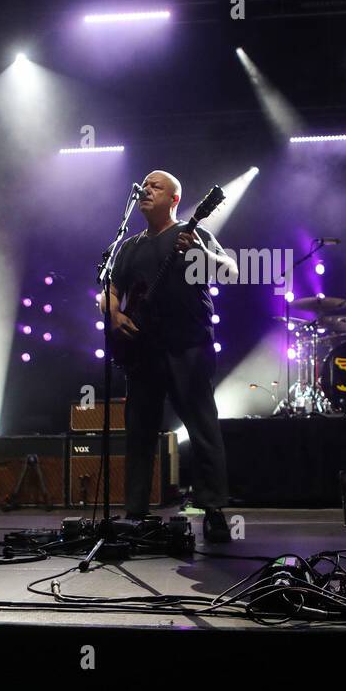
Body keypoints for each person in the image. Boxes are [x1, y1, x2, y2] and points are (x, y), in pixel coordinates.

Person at [104, 171, 238, 543]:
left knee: (201, 425)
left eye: (155, 186)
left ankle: (212, 509)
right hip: (143, 349)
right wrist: (113, 314)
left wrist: (200, 253)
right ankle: (135, 511)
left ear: (174, 199)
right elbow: (110, 288)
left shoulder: (194, 234)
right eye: (144, 186)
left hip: (188, 345)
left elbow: (230, 271)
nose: (146, 190)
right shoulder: (129, 246)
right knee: (139, 429)